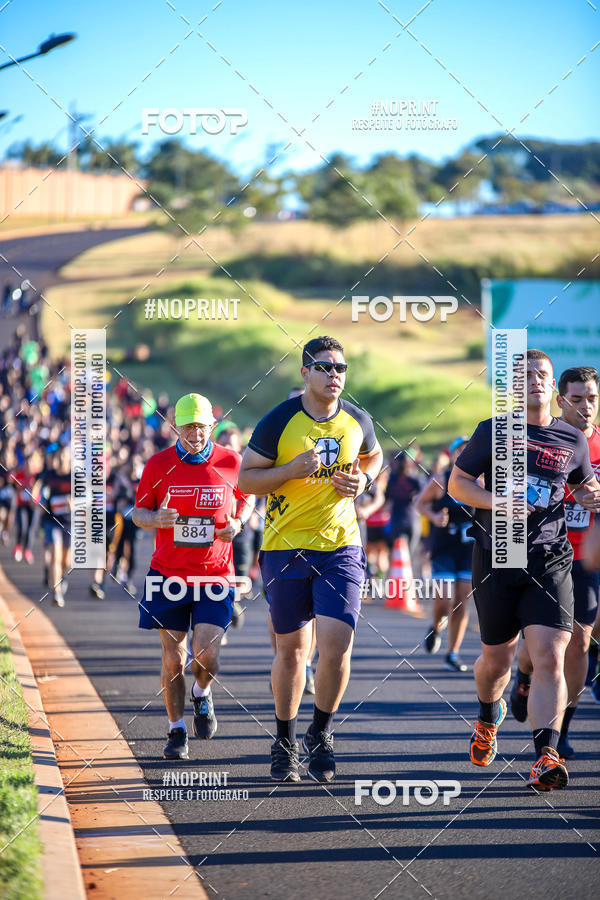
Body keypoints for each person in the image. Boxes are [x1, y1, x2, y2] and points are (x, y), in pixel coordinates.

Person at [449, 349, 600, 791]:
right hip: (499, 554)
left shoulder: (570, 438)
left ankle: (545, 756)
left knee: (553, 653)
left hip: (551, 558)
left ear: (553, 388)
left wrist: (590, 497)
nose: (535, 381)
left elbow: (580, 485)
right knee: (496, 660)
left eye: (542, 375)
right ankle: (486, 714)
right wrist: (498, 502)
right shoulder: (493, 431)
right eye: (526, 376)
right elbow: (458, 484)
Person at [239, 336, 383, 783]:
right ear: (305, 372)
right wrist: (286, 472)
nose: (334, 376)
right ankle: (284, 739)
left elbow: (375, 456)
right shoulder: (278, 420)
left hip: (341, 546)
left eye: (341, 368)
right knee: (293, 651)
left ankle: (320, 733)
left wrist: (364, 480)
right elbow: (246, 479)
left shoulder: (357, 419)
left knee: (337, 647)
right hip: (284, 548)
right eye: (324, 368)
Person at [133, 393, 252, 761]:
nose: (195, 433)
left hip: (215, 574)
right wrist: (154, 519)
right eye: (188, 426)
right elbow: (138, 512)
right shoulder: (158, 465)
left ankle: (202, 693)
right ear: (175, 427)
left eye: (201, 425)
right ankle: (176, 730)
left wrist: (237, 523)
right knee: (173, 659)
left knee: (207, 655)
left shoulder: (232, 462)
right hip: (168, 573)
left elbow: (246, 502)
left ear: (212, 426)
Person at [509, 366, 600, 756]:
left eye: (592, 398)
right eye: (576, 399)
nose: (585, 406)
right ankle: (524, 675)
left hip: (587, 558)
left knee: (578, 642)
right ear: (561, 400)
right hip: (545, 551)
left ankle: (562, 727)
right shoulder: (548, 439)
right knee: (539, 647)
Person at [415, 437, 474, 672]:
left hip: (469, 550)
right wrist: (434, 517)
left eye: (469, 450)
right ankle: (436, 626)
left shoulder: (482, 481)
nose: (465, 453)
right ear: (452, 455)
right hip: (443, 549)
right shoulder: (441, 481)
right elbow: (420, 503)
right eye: (460, 450)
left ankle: (453, 653)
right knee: (444, 599)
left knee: (461, 602)